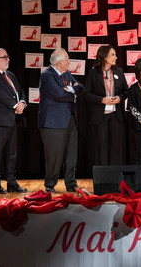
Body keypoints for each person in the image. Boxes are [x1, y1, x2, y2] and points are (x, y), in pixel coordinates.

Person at [0, 48, 28, 194]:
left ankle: (11, 182)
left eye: (8, 57)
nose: (8, 59)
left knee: (11, 153)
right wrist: (15, 105)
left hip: (12, 119)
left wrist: (22, 102)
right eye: (5, 57)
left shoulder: (11, 75)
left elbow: (20, 91)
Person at [38, 48, 84, 193]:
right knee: (54, 155)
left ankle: (71, 183)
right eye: (67, 60)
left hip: (70, 119)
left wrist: (68, 89)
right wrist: (72, 93)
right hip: (53, 122)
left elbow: (81, 87)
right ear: (59, 62)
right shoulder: (47, 75)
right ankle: (50, 184)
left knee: (71, 154)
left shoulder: (67, 74)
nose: (70, 63)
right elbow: (58, 94)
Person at [84, 45, 129, 165]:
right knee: (101, 146)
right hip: (100, 116)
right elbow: (86, 94)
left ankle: (116, 178)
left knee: (116, 147)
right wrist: (101, 100)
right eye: (113, 55)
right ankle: (102, 179)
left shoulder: (119, 71)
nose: (116, 57)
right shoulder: (93, 73)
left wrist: (119, 98)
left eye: (115, 54)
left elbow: (126, 91)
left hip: (116, 115)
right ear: (104, 57)